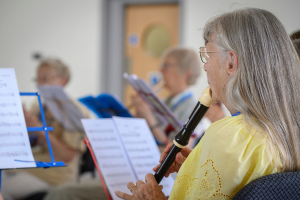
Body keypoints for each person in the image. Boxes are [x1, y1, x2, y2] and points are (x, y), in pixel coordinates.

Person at [115, 7, 300, 199]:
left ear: (231, 63)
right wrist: (198, 165)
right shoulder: (289, 128)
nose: (205, 65)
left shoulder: (227, 138)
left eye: (208, 54)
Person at [1, 58, 90, 200]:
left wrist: (38, 130)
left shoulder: (73, 111)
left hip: (53, 176)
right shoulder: (38, 105)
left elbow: (67, 156)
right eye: (38, 79)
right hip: (27, 168)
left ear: (63, 81)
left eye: (46, 79)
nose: (40, 84)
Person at [131, 47, 224, 148]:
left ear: (186, 72)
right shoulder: (163, 102)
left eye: (166, 66)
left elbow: (178, 150)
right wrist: (140, 113)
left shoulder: (195, 108)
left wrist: (148, 117)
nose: (161, 70)